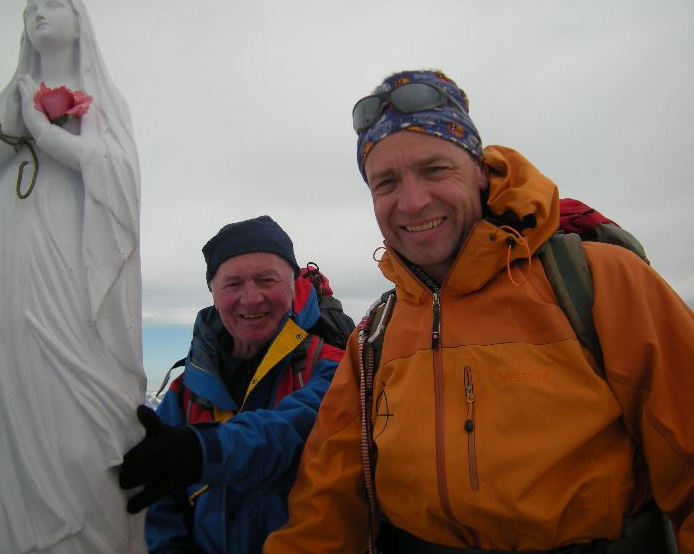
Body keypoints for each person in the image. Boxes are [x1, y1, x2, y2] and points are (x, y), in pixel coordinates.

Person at [264, 69, 693, 553]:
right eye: (386, 182)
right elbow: (325, 508)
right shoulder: (375, 335)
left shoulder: (600, 282)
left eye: (434, 169)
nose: (412, 201)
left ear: (479, 171)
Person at [0, 0, 147, 553]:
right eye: (29, 11)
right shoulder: (12, 98)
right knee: (5, 405)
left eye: (51, 6)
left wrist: (47, 133)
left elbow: (118, 180)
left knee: (76, 423)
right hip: (2, 271)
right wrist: (12, 131)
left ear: (80, 22)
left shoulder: (104, 100)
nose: (36, 16)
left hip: (68, 272)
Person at [119, 215, 351, 554]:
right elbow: (161, 509)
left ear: (293, 286)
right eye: (232, 284)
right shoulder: (187, 392)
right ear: (214, 293)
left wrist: (200, 451)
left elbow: (290, 435)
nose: (251, 298)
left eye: (266, 279)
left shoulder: (335, 366)